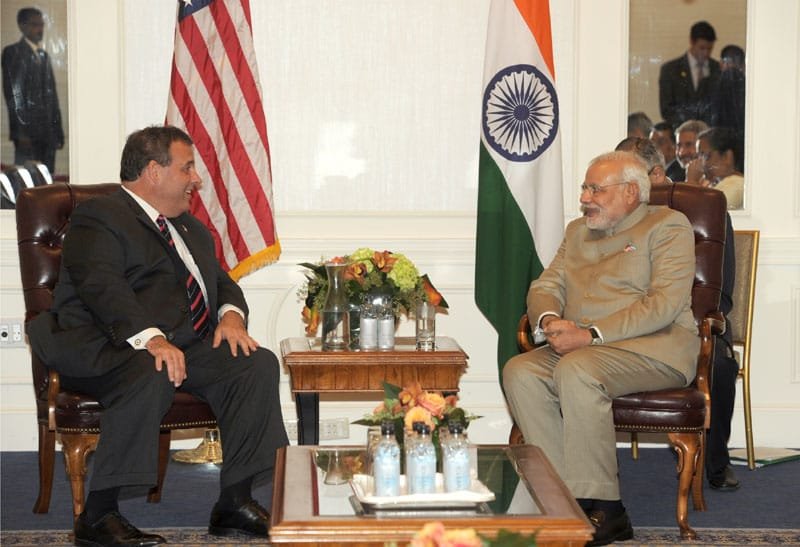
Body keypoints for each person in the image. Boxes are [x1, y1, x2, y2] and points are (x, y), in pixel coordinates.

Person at [28, 126, 288, 546]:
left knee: (254, 364)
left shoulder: (190, 229)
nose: (196, 179)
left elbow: (221, 282)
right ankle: (98, 515)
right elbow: (102, 287)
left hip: (179, 343)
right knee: (152, 370)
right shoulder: (101, 217)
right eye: (187, 168)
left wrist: (232, 316)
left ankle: (234, 503)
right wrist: (151, 338)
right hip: (101, 341)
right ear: (153, 171)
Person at [503, 151, 698, 547]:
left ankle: (608, 510)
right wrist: (548, 321)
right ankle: (562, 500)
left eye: (595, 189)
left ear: (630, 192)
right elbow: (546, 286)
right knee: (520, 371)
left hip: (656, 349)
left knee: (578, 369)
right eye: (584, 188)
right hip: (583, 348)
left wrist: (590, 334)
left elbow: (663, 304)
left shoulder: (668, 226)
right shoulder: (578, 231)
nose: (585, 197)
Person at [2, 7, 64, 174]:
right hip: (27, 136)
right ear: (22, 26)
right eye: (35, 25)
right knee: (27, 181)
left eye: (42, 25)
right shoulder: (12, 52)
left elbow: (52, 97)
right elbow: (13, 95)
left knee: (46, 180)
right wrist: (21, 133)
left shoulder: (44, 55)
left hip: (48, 135)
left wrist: (58, 132)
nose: (40, 29)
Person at [659, 21, 721, 128]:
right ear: (692, 42)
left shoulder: (717, 69)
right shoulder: (670, 70)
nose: (706, 53)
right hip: (680, 133)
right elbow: (666, 109)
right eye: (702, 48)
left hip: (710, 134)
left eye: (710, 49)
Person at [686, 126, 744, 209]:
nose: (700, 163)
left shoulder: (737, 184)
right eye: (698, 156)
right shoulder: (714, 184)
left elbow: (702, 213)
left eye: (704, 156)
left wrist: (692, 181)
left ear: (727, 157)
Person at [711, 45, 746, 136]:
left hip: (716, 137)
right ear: (743, 65)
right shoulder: (749, 86)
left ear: (721, 63)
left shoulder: (709, 85)